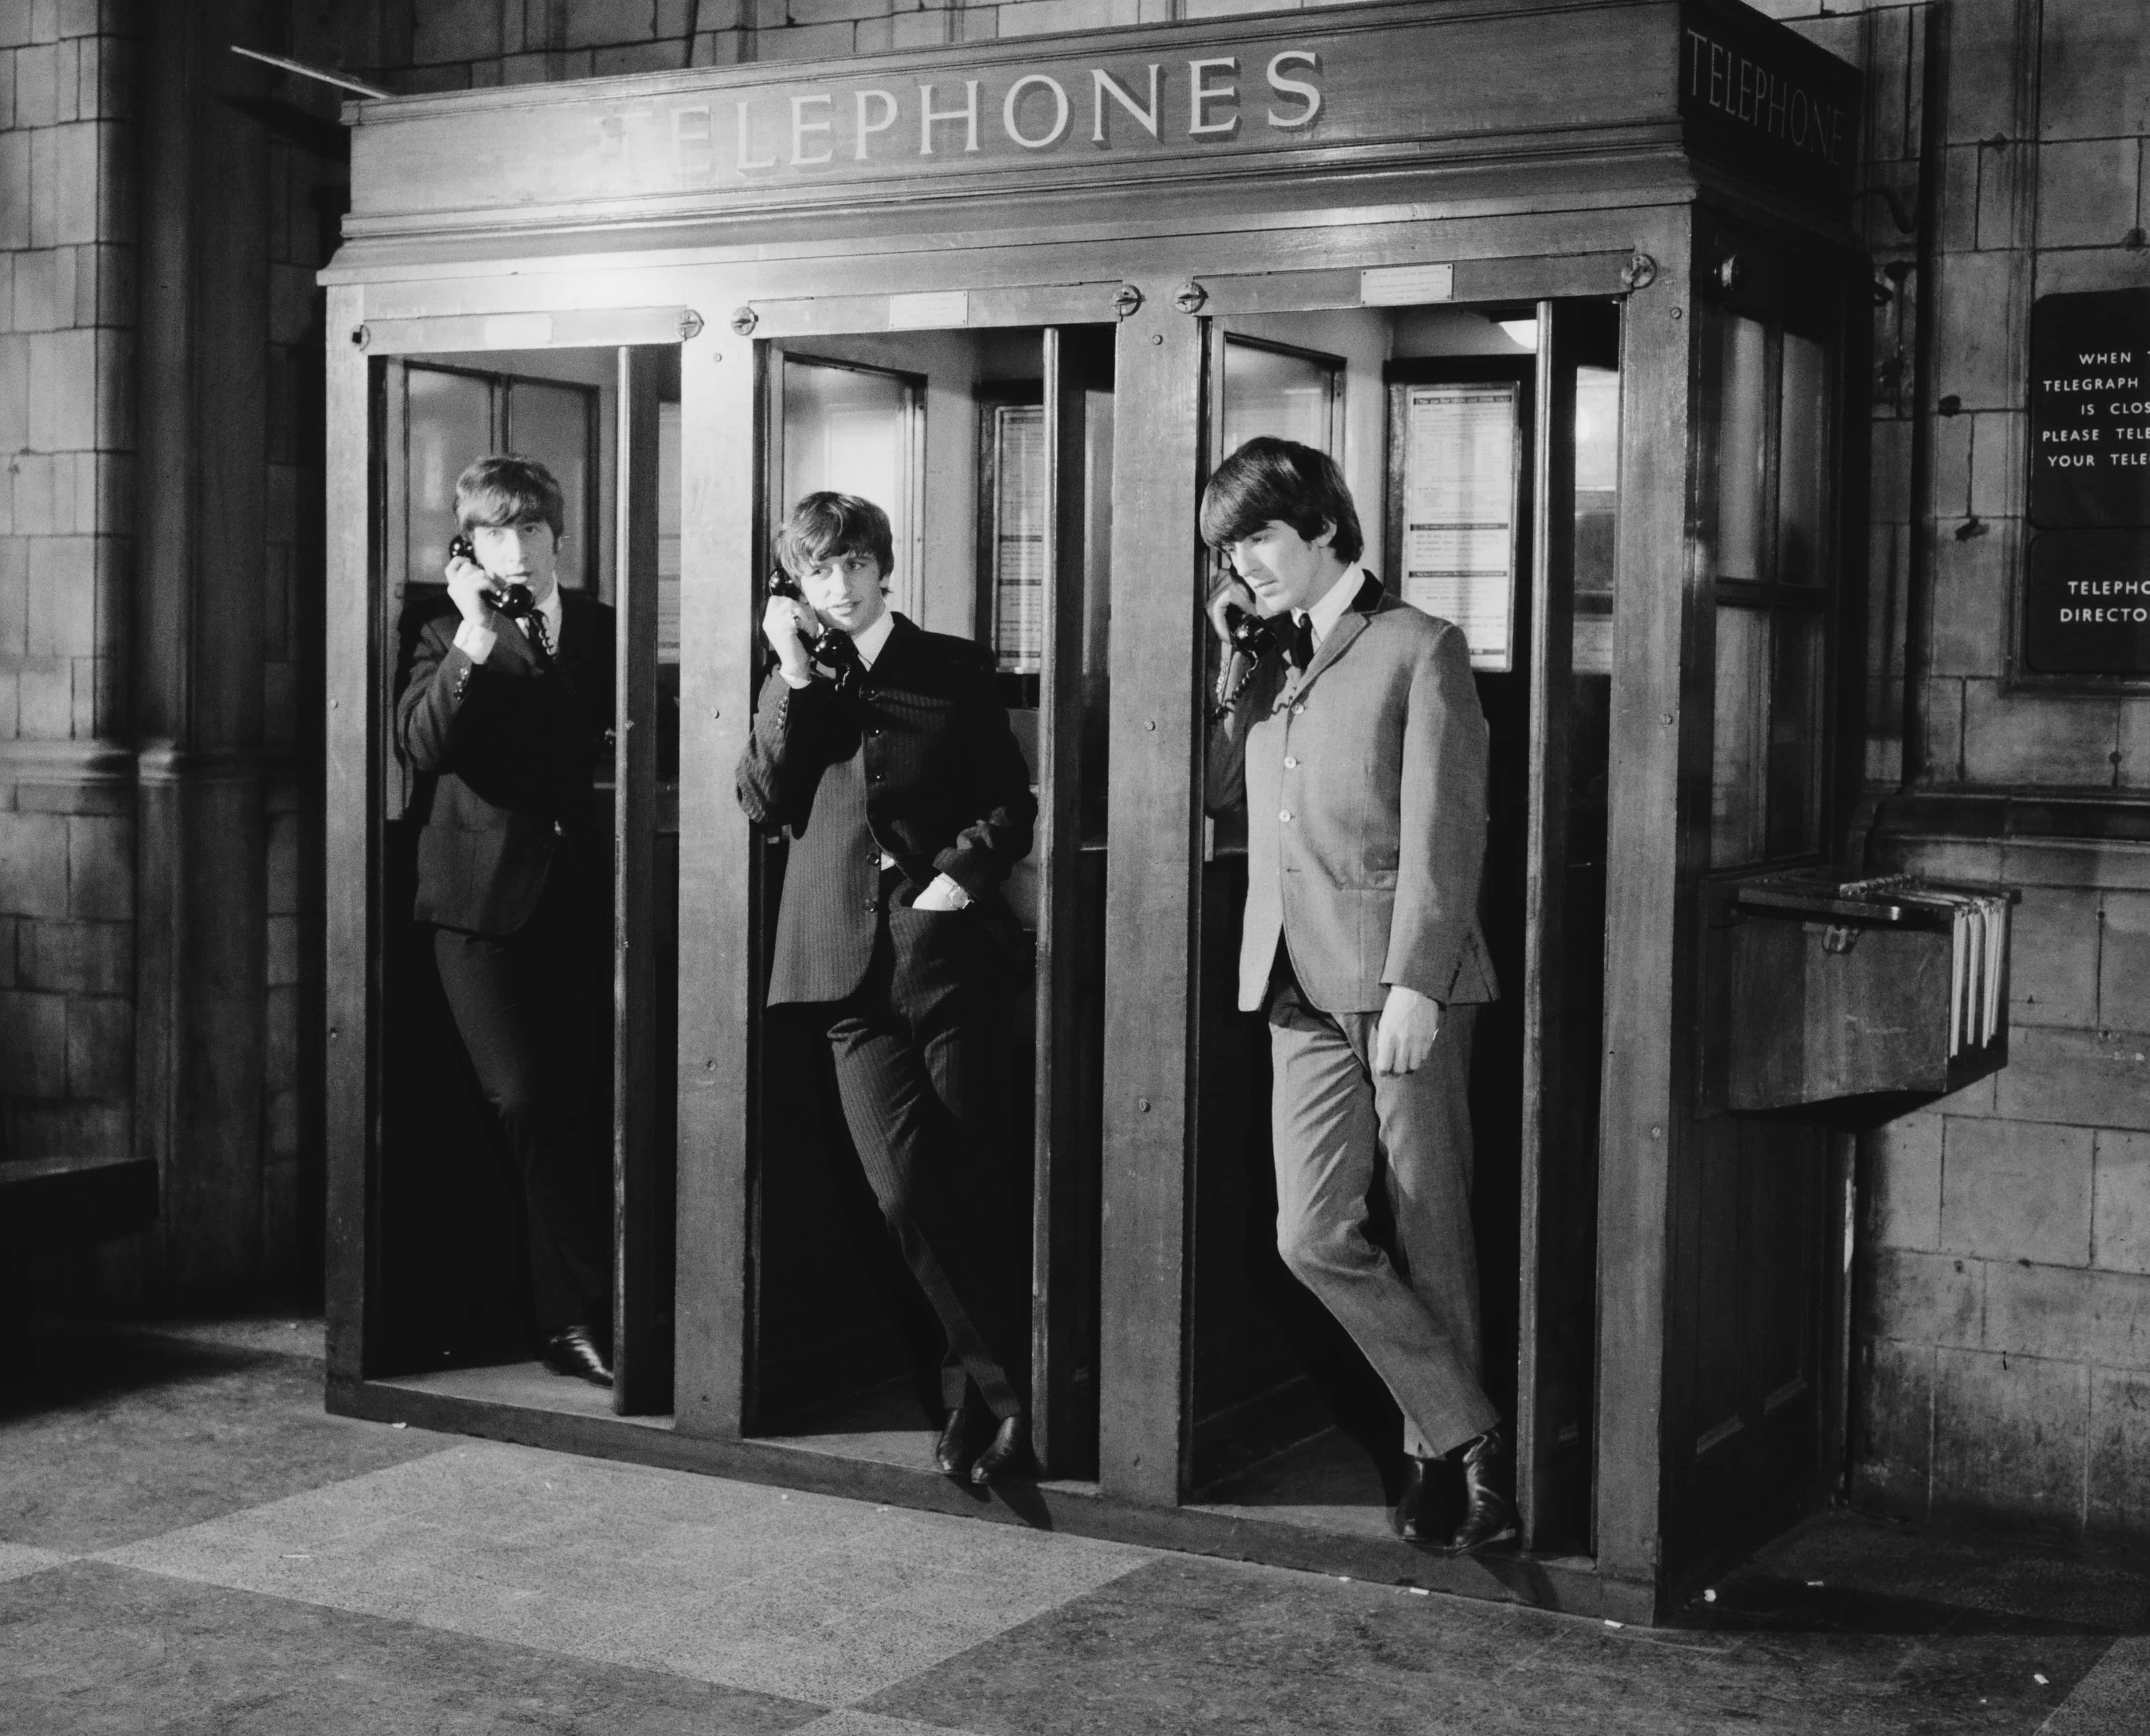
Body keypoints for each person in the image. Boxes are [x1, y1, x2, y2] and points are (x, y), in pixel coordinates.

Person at [1202, 437, 1509, 1552]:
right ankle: (1471, 1428)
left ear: (1323, 526)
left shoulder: (1419, 646)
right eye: (1229, 549)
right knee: (1312, 1232)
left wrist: (1421, 978)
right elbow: (1220, 794)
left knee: (1433, 1224)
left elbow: (1448, 825)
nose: (1244, 563)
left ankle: (1445, 1461)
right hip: (1290, 980)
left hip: (1396, 978)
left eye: (1259, 538)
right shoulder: (1270, 657)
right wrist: (1232, 668)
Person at [736, 491, 1036, 1485]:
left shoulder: (950, 665)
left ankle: (970, 1402)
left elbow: (1010, 798)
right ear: (800, 583)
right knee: (905, 1192)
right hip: (842, 973)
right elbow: (762, 797)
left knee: (967, 1180)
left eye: (855, 562)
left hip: (951, 956)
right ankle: (1009, 1393)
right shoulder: (799, 683)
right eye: (820, 569)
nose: (841, 583)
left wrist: (962, 869)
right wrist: (791, 672)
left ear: (882, 564)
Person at [395, 455, 617, 1388]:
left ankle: (567, 1325)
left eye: (530, 531)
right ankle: (604, 1304)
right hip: (477, 907)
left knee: (575, 1104)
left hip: (581, 898)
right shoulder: (444, 628)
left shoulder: (604, 629)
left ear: (558, 538)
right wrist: (475, 639)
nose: (516, 549)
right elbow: (421, 743)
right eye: (495, 533)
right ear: (469, 546)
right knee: (521, 1097)